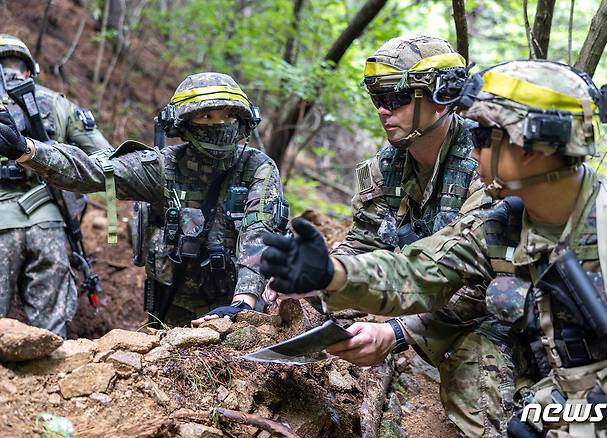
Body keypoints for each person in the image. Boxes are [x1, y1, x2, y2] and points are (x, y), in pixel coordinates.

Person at [260, 60, 607, 437]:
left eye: (482, 137)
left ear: (532, 149)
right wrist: (333, 273)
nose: (472, 147)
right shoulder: (501, 224)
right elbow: (418, 272)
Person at [321, 34, 515, 436]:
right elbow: (365, 241)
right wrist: (313, 279)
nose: (381, 109)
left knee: (477, 382)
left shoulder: (488, 167)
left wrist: (397, 332)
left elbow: (486, 283)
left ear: (441, 97)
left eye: (396, 98)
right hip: (421, 297)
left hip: (493, 317)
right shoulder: (387, 166)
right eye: (377, 97)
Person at [0, 71, 287, 327]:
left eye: (228, 115)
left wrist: (244, 301)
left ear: (242, 120)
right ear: (185, 123)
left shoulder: (257, 168)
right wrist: (26, 149)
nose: (219, 124)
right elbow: (91, 170)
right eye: (206, 116)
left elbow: (259, 232)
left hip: (244, 310)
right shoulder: (163, 168)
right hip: (175, 308)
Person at [0, 34, 111, 338]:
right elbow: (108, 158)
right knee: (50, 335)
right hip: (48, 221)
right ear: (29, 69)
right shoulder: (57, 103)